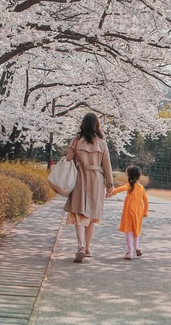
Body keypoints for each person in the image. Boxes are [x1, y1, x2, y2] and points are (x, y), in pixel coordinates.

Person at [64, 112, 114, 263]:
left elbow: (67, 159)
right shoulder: (102, 143)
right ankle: (87, 248)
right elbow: (107, 166)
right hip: (96, 180)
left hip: (80, 178)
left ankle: (79, 245)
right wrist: (110, 185)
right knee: (92, 216)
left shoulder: (76, 140)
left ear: (83, 124)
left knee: (79, 213)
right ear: (97, 125)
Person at [107, 165, 149, 260]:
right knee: (136, 230)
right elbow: (146, 201)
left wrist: (111, 193)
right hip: (138, 211)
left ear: (128, 176)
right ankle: (137, 246)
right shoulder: (141, 187)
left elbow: (121, 189)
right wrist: (145, 212)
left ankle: (130, 252)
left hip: (129, 210)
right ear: (139, 176)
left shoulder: (129, 185)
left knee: (129, 231)